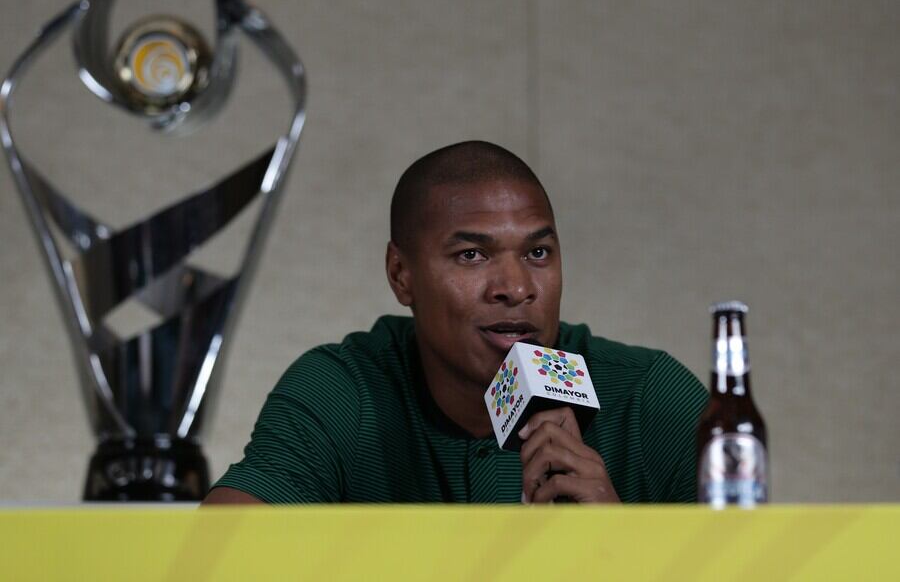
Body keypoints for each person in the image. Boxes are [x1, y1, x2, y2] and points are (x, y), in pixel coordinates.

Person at [203, 140, 707, 505]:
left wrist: (623, 545)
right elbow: (216, 557)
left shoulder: (648, 397)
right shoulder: (345, 390)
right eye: (472, 255)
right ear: (401, 275)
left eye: (537, 252)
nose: (516, 287)